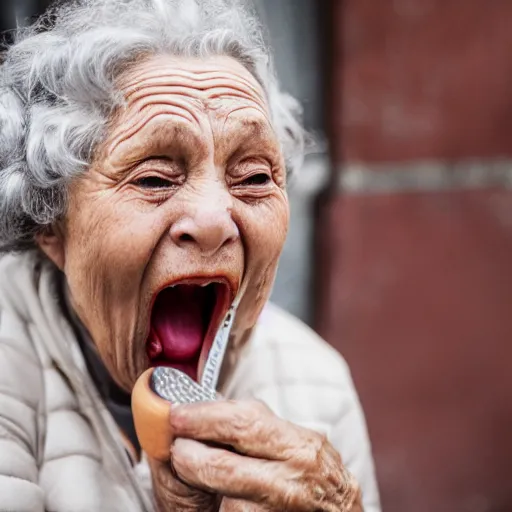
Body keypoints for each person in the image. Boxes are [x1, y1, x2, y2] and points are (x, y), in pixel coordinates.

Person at [0, 0, 381, 510]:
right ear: (52, 219)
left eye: (253, 178)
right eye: (155, 178)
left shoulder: (318, 380)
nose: (213, 221)